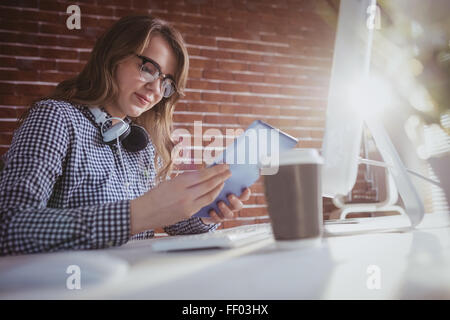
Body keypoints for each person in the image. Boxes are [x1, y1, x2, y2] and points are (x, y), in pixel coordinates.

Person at [0, 15, 251, 255]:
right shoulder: (56, 118)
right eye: (148, 68)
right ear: (113, 56)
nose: (155, 89)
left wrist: (206, 211)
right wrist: (135, 215)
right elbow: (9, 227)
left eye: (166, 83)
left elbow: (169, 220)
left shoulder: (142, 145)